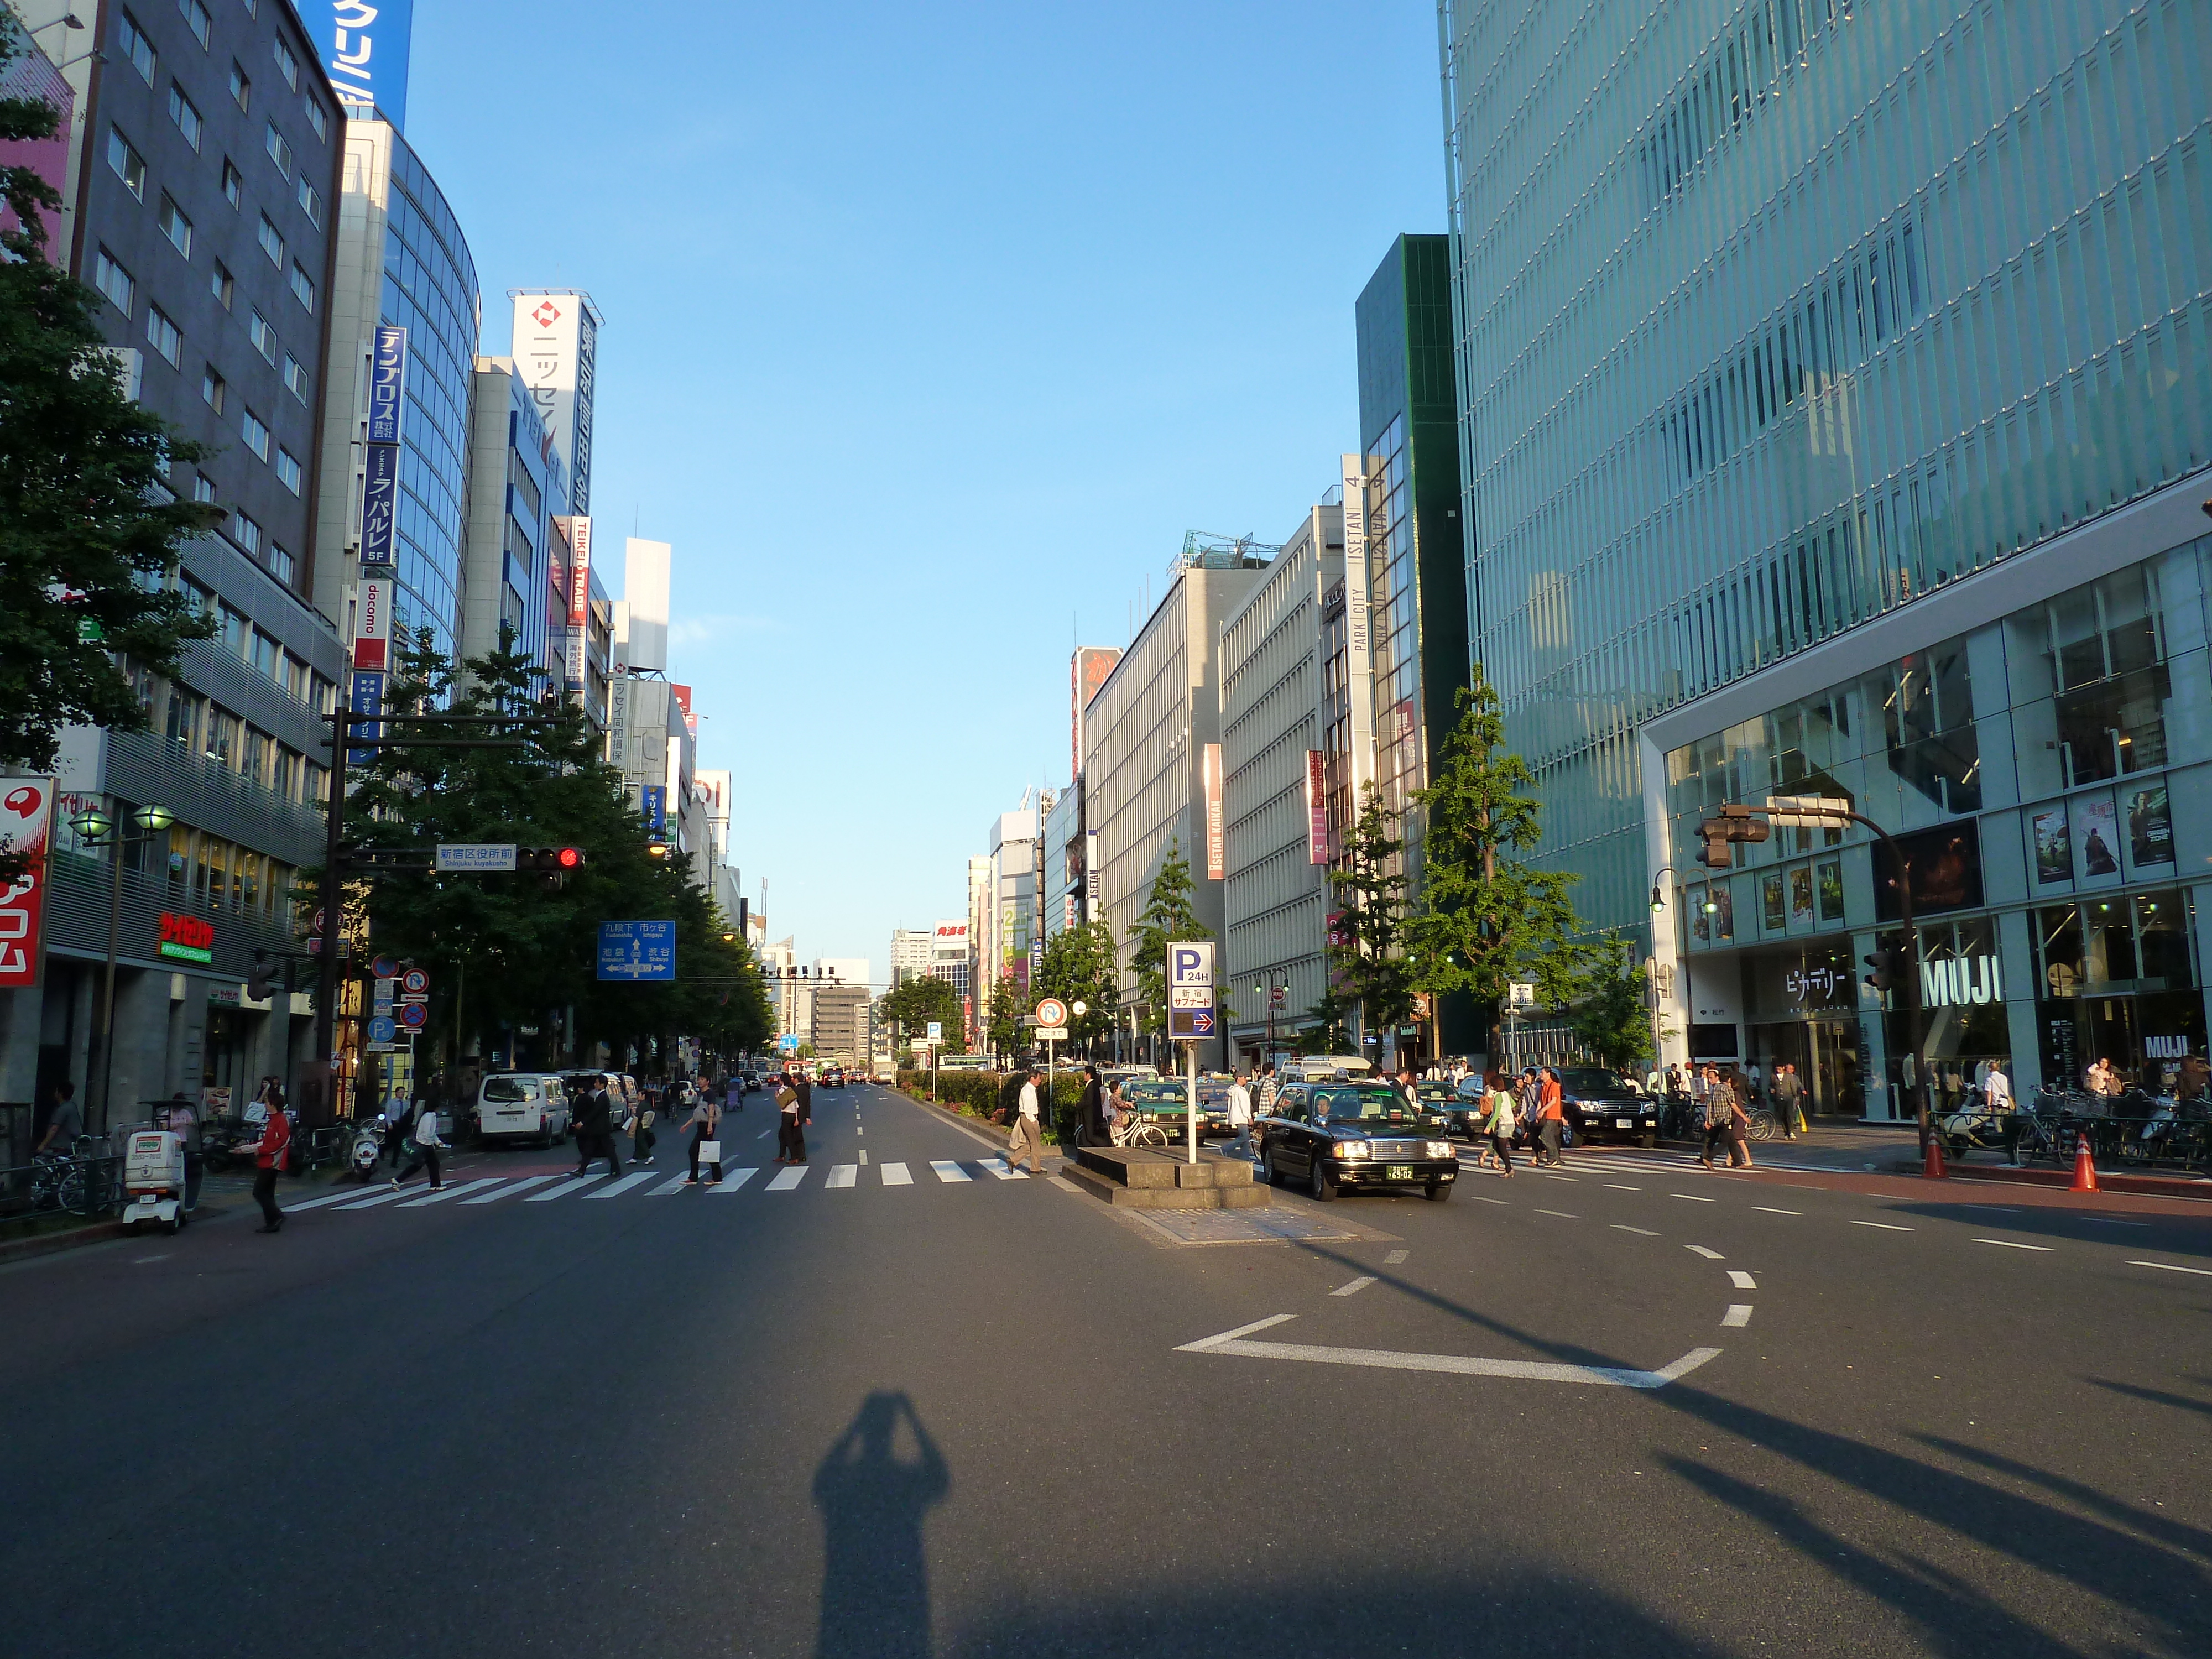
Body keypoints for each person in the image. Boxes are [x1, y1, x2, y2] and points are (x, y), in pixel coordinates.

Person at [236, 1095, 291, 1232]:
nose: (265, 1105)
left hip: (272, 1161)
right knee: (267, 1192)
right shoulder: (274, 1120)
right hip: (269, 1160)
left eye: (267, 1102)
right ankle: (272, 1222)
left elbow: (280, 1142)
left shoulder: (280, 1120)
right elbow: (268, 1142)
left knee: (259, 1192)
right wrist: (245, 1149)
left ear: (273, 1103)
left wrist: (260, 1150)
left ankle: (276, 1217)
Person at [390, 1085, 447, 1192]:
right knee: (424, 1164)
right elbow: (427, 1132)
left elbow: (431, 1132)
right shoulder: (430, 1116)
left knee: (427, 1164)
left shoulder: (429, 1115)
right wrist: (432, 1143)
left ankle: (435, 1184)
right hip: (425, 1144)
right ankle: (398, 1180)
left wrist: (437, 1142)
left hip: (426, 1144)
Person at [573, 1077, 622, 1179]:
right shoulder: (600, 1096)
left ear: (602, 1085)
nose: (595, 1085)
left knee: (609, 1150)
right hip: (597, 1129)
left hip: (601, 1129)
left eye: (597, 1083)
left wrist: (582, 1123)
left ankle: (616, 1169)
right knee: (589, 1149)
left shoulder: (603, 1097)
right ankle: (582, 1170)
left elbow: (595, 1113)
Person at [162, 1091, 203, 1212]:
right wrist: (178, 1124)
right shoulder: (166, 1113)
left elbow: (192, 1124)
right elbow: (164, 1127)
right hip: (171, 1142)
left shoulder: (186, 1113)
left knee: (185, 1165)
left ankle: (186, 1198)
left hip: (184, 1141)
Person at [1006, 1066, 1045, 1175]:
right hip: (1029, 1118)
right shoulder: (1028, 1090)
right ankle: (1035, 1168)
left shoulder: (1029, 1089)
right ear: (1032, 1078)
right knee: (1036, 1143)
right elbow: (1028, 1108)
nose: (1040, 1081)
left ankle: (1013, 1160)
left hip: (1027, 1118)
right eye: (1038, 1078)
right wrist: (1033, 1120)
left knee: (1030, 1144)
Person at [34, 1079, 83, 1156]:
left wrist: (42, 1146)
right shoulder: (72, 1106)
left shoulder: (62, 1109)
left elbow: (54, 1128)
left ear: (60, 1094)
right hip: (71, 1145)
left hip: (61, 1146)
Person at [685, 1087, 723, 1185]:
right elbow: (699, 1113)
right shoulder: (702, 1093)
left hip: (707, 1125)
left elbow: (711, 1108)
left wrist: (710, 1125)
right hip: (702, 1125)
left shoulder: (709, 1093)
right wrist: (687, 1125)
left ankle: (694, 1178)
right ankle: (716, 1177)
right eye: (699, 1079)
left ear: (707, 1081)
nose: (700, 1081)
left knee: (694, 1151)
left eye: (702, 1079)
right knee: (708, 1151)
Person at [1481, 1076, 1516, 1178]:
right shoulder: (1506, 1094)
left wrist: (1489, 1126)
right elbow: (1513, 1104)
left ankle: (1509, 1168)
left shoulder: (1498, 1096)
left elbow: (1496, 1114)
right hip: (1509, 1122)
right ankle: (1508, 1168)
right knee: (1497, 1145)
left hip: (1505, 1123)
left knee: (1501, 1147)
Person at [774, 1074, 808, 1164]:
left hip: (786, 1115)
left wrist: (777, 1097)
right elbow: (796, 1105)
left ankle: (794, 1157)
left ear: (782, 1081)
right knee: (782, 1135)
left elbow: (782, 1104)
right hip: (793, 1115)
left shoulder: (781, 1090)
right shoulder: (791, 1090)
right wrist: (797, 1118)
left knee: (788, 1137)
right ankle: (782, 1155)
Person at [1535, 1067, 1565, 1167]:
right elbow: (1541, 1101)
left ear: (1548, 1074)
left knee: (1545, 1135)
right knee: (1550, 1137)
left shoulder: (1554, 1085)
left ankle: (1552, 1158)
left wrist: (1543, 1110)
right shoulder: (1543, 1086)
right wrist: (1538, 1112)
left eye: (1542, 1073)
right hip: (1547, 1116)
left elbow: (1554, 1100)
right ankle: (1555, 1159)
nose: (1540, 1075)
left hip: (1553, 1115)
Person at [1225, 1070, 1254, 1162]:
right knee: (1245, 1137)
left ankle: (1245, 1158)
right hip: (1241, 1117)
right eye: (1244, 1078)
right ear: (1239, 1078)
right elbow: (1244, 1105)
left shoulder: (1234, 1090)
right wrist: (1249, 1117)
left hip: (1236, 1116)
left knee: (1245, 1140)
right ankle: (1226, 1148)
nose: (1246, 1079)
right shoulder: (1241, 1091)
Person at [1772, 1063, 1803, 1140]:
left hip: (1789, 1098)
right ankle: (1786, 1132)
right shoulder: (1773, 1077)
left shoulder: (1789, 1076)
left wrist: (1795, 1096)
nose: (1778, 1071)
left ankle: (1791, 1132)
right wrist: (1771, 1090)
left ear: (1783, 1068)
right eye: (1777, 1069)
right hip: (1779, 1098)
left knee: (1789, 1115)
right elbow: (1771, 1085)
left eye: (1779, 1069)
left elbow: (1793, 1086)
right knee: (1782, 1116)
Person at [1077, 1066, 1104, 1149]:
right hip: (1088, 1116)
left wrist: (1079, 1105)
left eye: (1085, 1073)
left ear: (1088, 1074)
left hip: (1091, 1116)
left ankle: (1106, 1146)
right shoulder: (1092, 1085)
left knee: (1091, 1136)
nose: (1084, 1075)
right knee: (1086, 1137)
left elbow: (1089, 1101)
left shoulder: (1092, 1086)